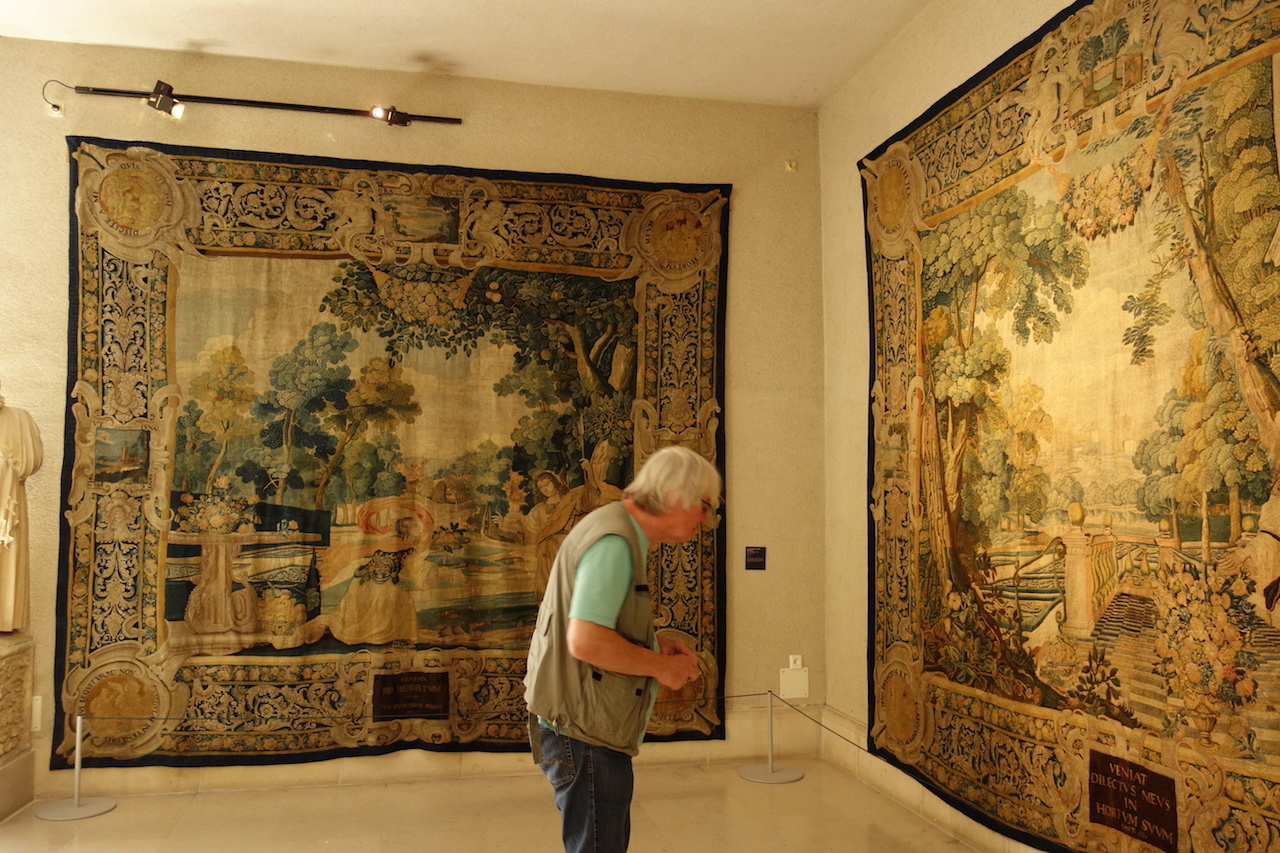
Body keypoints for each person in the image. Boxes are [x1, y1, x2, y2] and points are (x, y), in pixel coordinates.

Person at [523, 444, 721, 853]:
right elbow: (586, 640)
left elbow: (596, 624)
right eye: (704, 505)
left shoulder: (616, 528)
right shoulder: (615, 541)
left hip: (581, 724)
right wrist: (660, 669)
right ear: (674, 497)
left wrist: (654, 644)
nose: (707, 518)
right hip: (584, 731)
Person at [0, 383, 44, 633]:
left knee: (6, 562)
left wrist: (4, 467)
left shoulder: (19, 419)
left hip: (8, 508)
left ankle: (3, 619)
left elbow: (32, 460)